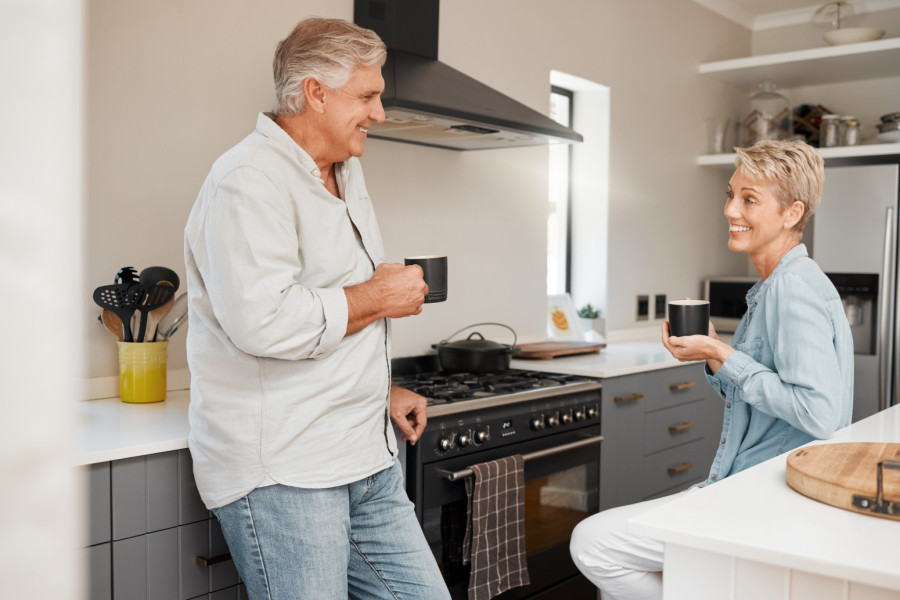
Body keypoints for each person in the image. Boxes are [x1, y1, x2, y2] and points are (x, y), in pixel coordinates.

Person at [183, 17, 450, 600]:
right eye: (368, 95)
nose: (379, 112)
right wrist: (380, 296)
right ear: (315, 93)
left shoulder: (346, 173)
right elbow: (266, 321)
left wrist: (378, 390)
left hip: (364, 455)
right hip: (287, 471)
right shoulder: (247, 182)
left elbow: (328, 304)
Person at [569, 139, 853, 600]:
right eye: (730, 194)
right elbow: (759, 393)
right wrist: (715, 355)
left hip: (765, 498)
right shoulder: (774, 285)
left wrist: (723, 356)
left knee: (594, 544)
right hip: (751, 488)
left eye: (749, 199)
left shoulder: (791, 288)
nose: (729, 210)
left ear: (791, 213)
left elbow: (818, 412)